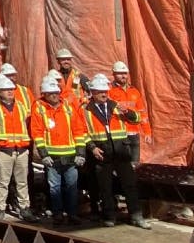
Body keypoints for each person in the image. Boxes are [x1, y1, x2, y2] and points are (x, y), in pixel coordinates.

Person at [84, 74, 150, 229]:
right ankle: (110, 215)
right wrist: (92, 147)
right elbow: (80, 131)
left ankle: (136, 215)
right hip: (102, 152)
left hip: (121, 150)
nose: (104, 94)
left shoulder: (115, 105)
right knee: (105, 186)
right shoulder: (85, 110)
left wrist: (126, 111)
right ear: (93, 92)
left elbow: (136, 119)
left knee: (130, 184)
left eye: (105, 91)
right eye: (100, 92)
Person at [30, 77, 88, 225]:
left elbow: (78, 131)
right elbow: (37, 133)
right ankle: (58, 214)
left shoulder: (68, 108)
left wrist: (81, 153)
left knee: (72, 187)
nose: (55, 95)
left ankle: (72, 214)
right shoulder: (40, 109)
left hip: (70, 155)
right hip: (52, 157)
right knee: (54, 188)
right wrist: (44, 155)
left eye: (56, 92)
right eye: (51, 93)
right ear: (44, 94)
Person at [0, 74, 37, 222]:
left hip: (21, 149)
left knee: (22, 182)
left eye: (11, 89)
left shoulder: (21, 106)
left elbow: (28, 125)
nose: (10, 92)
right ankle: (0, 208)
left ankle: (25, 208)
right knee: (2, 182)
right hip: (3, 150)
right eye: (7, 90)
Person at [108, 61, 151, 164]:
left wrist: (147, 132)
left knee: (135, 164)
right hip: (119, 135)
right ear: (113, 74)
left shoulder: (134, 91)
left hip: (134, 134)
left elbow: (142, 113)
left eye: (125, 73)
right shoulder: (109, 91)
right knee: (122, 165)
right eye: (120, 73)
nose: (123, 76)